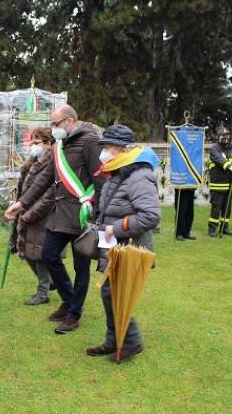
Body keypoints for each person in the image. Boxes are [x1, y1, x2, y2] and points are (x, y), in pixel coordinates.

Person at [5, 105, 105, 334]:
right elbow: (45, 179)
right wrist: (22, 203)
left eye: (56, 123)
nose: (53, 128)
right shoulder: (59, 145)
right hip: (60, 215)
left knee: (82, 268)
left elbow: (99, 179)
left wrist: (98, 213)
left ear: (69, 121)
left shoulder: (89, 141)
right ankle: (69, 300)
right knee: (49, 255)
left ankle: (74, 314)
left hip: (82, 214)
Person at [85, 125, 161, 363]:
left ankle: (130, 341)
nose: (103, 152)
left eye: (107, 147)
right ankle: (113, 340)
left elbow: (150, 215)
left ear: (120, 149)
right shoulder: (115, 173)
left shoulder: (138, 176)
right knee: (109, 293)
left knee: (117, 294)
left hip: (127, 247)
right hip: (112, 245)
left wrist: (114, 229)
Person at [14, 127, 56, 305]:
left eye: (36, 142)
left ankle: (43, 293)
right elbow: (26, 187)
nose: (33, 146)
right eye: (32, 142)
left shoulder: (52, 163)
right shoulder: (32, 161)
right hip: (27, 211)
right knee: (27, 252)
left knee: (38, 254)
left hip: (43, 214)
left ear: (48, 143)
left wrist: (31, 211)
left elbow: (48, 193)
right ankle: (51, 282)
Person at [207, 126, 232, 237]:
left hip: (230, 184)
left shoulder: (231, 149)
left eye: (227, 135)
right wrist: (230, 166)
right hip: (218, 184)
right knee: (216, 208)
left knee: (227, 208)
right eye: (223, 135)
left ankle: (225, 227)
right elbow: (219, 159)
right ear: (219, 136)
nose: (226, 137)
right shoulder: (215, 149)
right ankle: (212, 228)